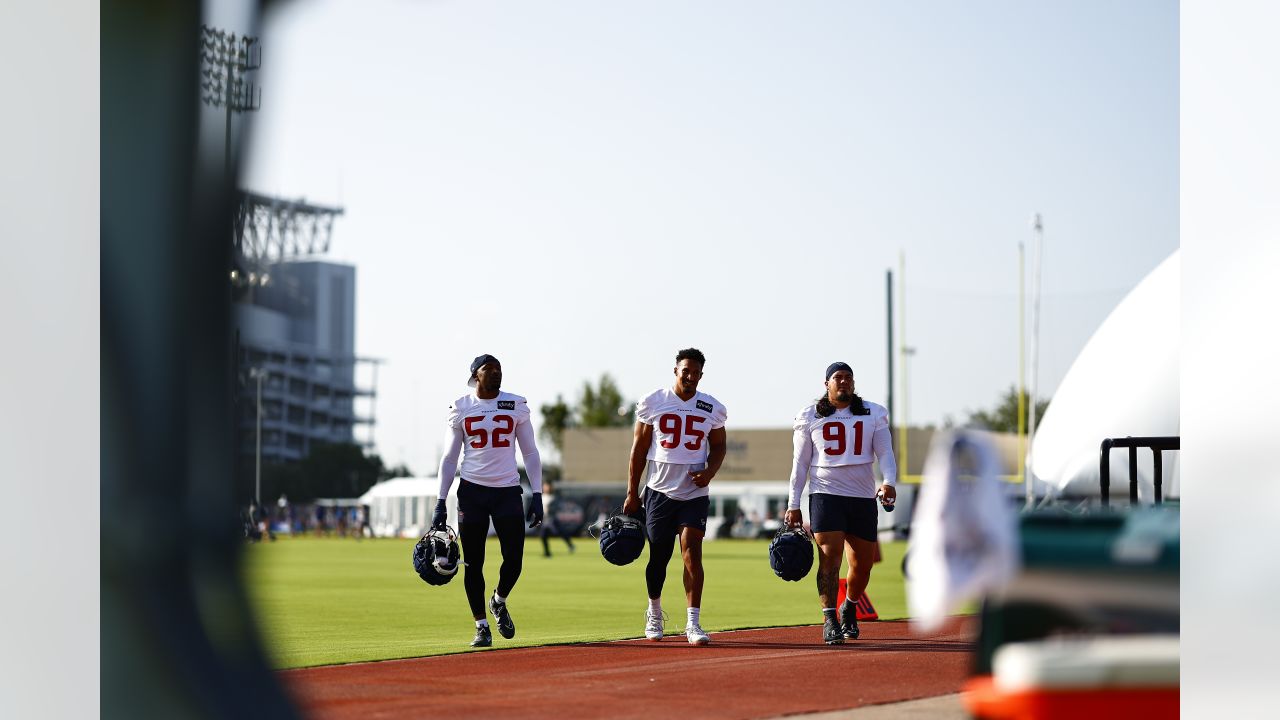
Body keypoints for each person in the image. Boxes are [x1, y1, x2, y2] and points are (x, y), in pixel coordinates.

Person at [431, 354, 545, 648]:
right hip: (472, 492)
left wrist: (538, 493)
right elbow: (449, 458)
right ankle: (481, 626)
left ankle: (499, 600)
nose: (496, 373)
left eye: (499, 369)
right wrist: (440, 501)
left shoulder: (515, 404)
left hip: (507, 490)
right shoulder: (462, 407)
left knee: (515, 560)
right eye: (489, 369)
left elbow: (530, 452)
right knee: (473, 564)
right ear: (475, 376)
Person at [784, 362, 898, 645]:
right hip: (826, 494)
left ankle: (849, 606)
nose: (844, 382)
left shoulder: (873, 412)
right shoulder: (809, 415)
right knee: (829, 558)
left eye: (848, 377)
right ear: (827, 384)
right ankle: (830, 618)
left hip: (861, 497)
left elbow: (885, 453)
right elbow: (799, 465)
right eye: (838, 378)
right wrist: (793, 502)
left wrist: (889, 482)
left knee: (862, 565)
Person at [624, 348, 728, 645]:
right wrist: (633, 492)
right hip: (658, 491)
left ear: (701, 375)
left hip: (694, 492)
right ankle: (654, 611)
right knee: (659, 556)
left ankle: (693, 623)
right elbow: (639, 449)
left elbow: (719, 446)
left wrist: (709, 472)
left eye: (696, 373)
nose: (691, 377)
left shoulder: (712, 407)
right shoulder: (654, 401)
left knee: (692, 552)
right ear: (676, 371)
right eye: (686, 371)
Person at [539, 479, 575, 557]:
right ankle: (547, 553)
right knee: (543, 535)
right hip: (545, 520)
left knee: (559, 533)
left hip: (552, 520)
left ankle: (570, 545)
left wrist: (550, 509)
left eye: (547, 487)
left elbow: (556, 508)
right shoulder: (541, 496)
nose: (546, 488)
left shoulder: (554, 497)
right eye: (545, 486)